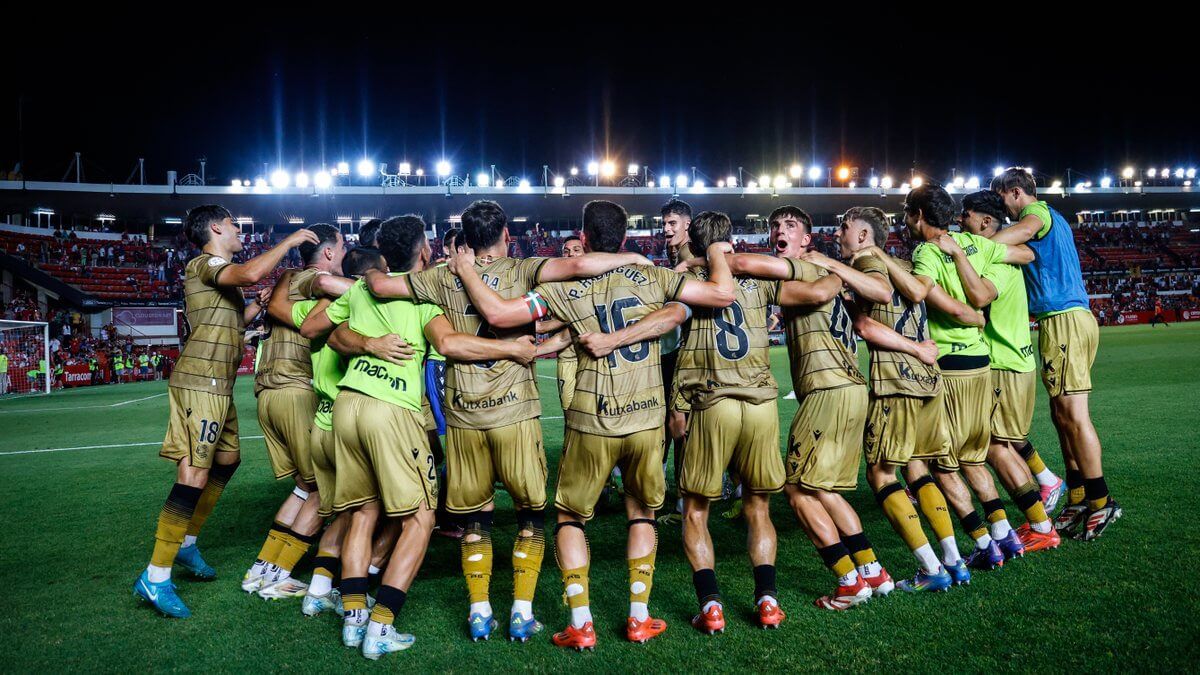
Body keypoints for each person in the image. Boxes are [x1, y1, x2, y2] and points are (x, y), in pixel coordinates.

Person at [451, 199, 736, 649]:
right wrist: (716, 251)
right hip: (646, 419)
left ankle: (582, 623)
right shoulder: (657, 277)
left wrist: (468, 271)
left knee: (570, 517)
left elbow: (502, 316)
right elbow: (720, 295)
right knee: (641, 510)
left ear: (583, 238)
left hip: (591, 419)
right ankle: (639, 617)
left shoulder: (566, 290)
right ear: (624, 238)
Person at [364, 200, 652, 642]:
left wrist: (366, 273)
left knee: (476, 519)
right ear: (505, 235)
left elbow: (381, 287)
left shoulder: (441, 275)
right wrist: (630, 257)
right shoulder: (525, 268)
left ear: (466, 237)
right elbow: (581, 265)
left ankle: (479, 612)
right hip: (515, 409)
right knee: (530, 515)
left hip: (464, 415)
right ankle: (521, 611)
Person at [311, 215, 537, 658]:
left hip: (346, 405)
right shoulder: (423, 294)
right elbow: (452, 345)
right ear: (424, 251)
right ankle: (382, 624)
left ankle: (354, 614)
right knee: (421, 518)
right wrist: (513, 347)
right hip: (388, 407)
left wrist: (364, 343)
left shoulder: (361, 285)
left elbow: (316, 329)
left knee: (362, 511)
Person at [132, 204, 320, 619]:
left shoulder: (221, 277)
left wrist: (257, 306)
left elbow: (232, 327)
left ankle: (185, 543)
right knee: (193, 473)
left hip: (219, 384)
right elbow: (252, 272)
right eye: (235, 225)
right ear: (216, 227)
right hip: (201, 382)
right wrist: (287, 241)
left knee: (228, 460)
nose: (240, 231)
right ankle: (156, 575)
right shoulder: (205, 263)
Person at [872, 184, 1035, 571]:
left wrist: (881, 257)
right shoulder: (970, 242)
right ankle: (1003, 533)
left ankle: (982, 541)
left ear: (920, 214)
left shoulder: (927, 251)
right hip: (981, 360)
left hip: (950, 366)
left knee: (940, 464)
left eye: (908, 212)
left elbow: (921, 290)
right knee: (973, 458)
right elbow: (1025, 252)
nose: (905, 219)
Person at [805, 206, 968, 591]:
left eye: (845, 227)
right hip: (928, 381)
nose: (839, 232)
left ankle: (930, 569)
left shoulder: (865, 262)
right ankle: (954, 560)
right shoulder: (900, 263)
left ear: (864, 236)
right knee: (918, 469)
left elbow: (866, 325)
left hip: (897, 379)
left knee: (880, 474)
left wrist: (912, 349)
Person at [990, 168, 1120, 540]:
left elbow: (1026, 229)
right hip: (1059, 321)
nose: (1004, 211)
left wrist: (977, 247)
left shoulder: (1040, 214)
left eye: (1002, 200)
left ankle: (1101, 500)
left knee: (1074, 415)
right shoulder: (1055, 223)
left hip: (1065, 319)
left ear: (1016, 192)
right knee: (1061, 415)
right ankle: (1080, 496)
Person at [242, 224, 350, 599]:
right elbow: (326, 287)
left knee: (304, 487)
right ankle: (281, 573)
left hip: (268, 392)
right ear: (330, 254)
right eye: (343, 245)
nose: (347, 251)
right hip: (295, 390)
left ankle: (262, 569)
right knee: (323, 486)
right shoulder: (312, 277)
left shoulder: (286, 281)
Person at [953, 191, 1061, 552]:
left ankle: (1041, 524)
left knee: (997, 447)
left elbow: (981, 297)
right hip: (1008, 362)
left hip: (1005, 364)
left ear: (985, 222)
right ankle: (1042, 495)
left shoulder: (997, 260)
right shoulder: (1002, 252)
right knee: (999, 444)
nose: (959, 221)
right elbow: (1025, 251)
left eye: (965, 215)